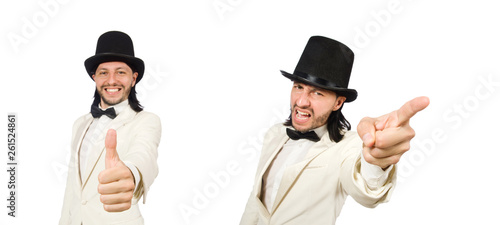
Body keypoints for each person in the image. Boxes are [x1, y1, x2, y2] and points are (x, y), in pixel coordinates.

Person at [239, 36, 429, 225]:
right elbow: (255, 202)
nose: (301, 101)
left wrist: (376, 161)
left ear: (338, 103)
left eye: (317, 92)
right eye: (298, 87)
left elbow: (368, 192)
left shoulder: (350, 146)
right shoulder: (275, 134)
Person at [59, 31, 162, 225]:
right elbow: (71, 189)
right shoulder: (79, 124)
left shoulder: (147, 121)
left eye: (121, 72)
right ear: (95, 78)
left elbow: (144, 155)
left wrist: (131, 173)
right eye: (104, 72)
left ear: (134, 78)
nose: (112, 80)